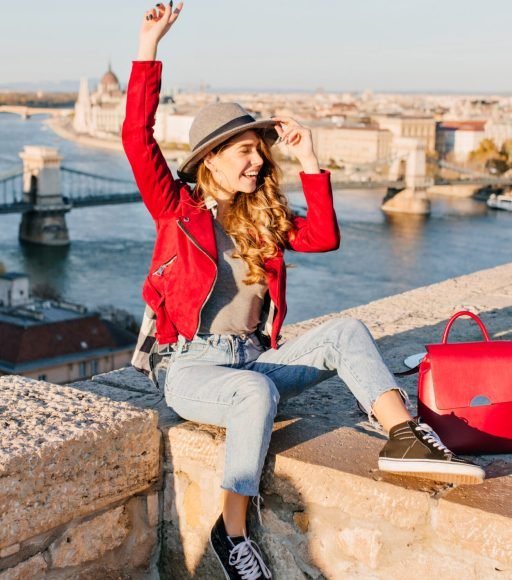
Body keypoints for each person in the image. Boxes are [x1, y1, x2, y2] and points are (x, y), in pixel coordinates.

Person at [123, 4, 485, 578]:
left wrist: (310, 160)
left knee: (345, 332)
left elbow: (324, 236)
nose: (257, 160)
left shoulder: (261, 217)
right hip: (192, 369)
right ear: (210, 159)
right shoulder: (177, 210)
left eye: (259, 150)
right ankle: (231, 532)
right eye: (244, 151)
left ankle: (403, 436)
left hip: (254, 359)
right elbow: (136, 138)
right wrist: (149, 45)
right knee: (252, 395)